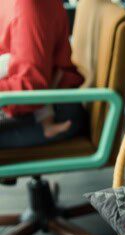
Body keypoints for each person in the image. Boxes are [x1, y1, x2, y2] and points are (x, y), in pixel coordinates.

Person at [0, 0, 86, 149]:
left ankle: (48, 127)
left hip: (51, 107)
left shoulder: (27, 6)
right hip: (33, 97)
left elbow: (31, 88)